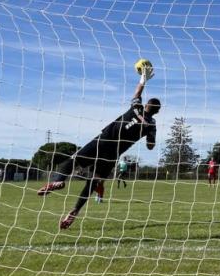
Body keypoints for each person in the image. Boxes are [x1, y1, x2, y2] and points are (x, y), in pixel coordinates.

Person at [37, 60, 159, 229]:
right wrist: (149, 133)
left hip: (102, 142)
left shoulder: (136, 108)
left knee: (71, 162)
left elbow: (137, 92)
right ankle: (75, 210)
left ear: (146, 105)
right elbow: (151, 146)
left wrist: (143, 80)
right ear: (157, 112)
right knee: (93, 183)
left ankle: (59, 181)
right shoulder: (152, 125)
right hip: (113, 154)